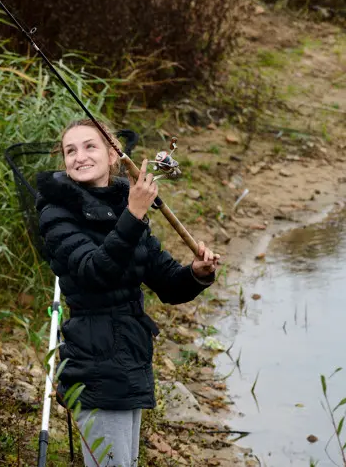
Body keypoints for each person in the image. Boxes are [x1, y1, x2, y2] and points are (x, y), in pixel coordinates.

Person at [35, 118, 220, 467]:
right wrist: (134, 214)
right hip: (95, 362)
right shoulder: (56, 213)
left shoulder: (123, 204)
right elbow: (94, 272)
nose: (79, 156)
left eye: (90, 146)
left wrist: (197, 274)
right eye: (70, 150)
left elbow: (166, 282)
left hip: (131, 355)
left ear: (112, 154)